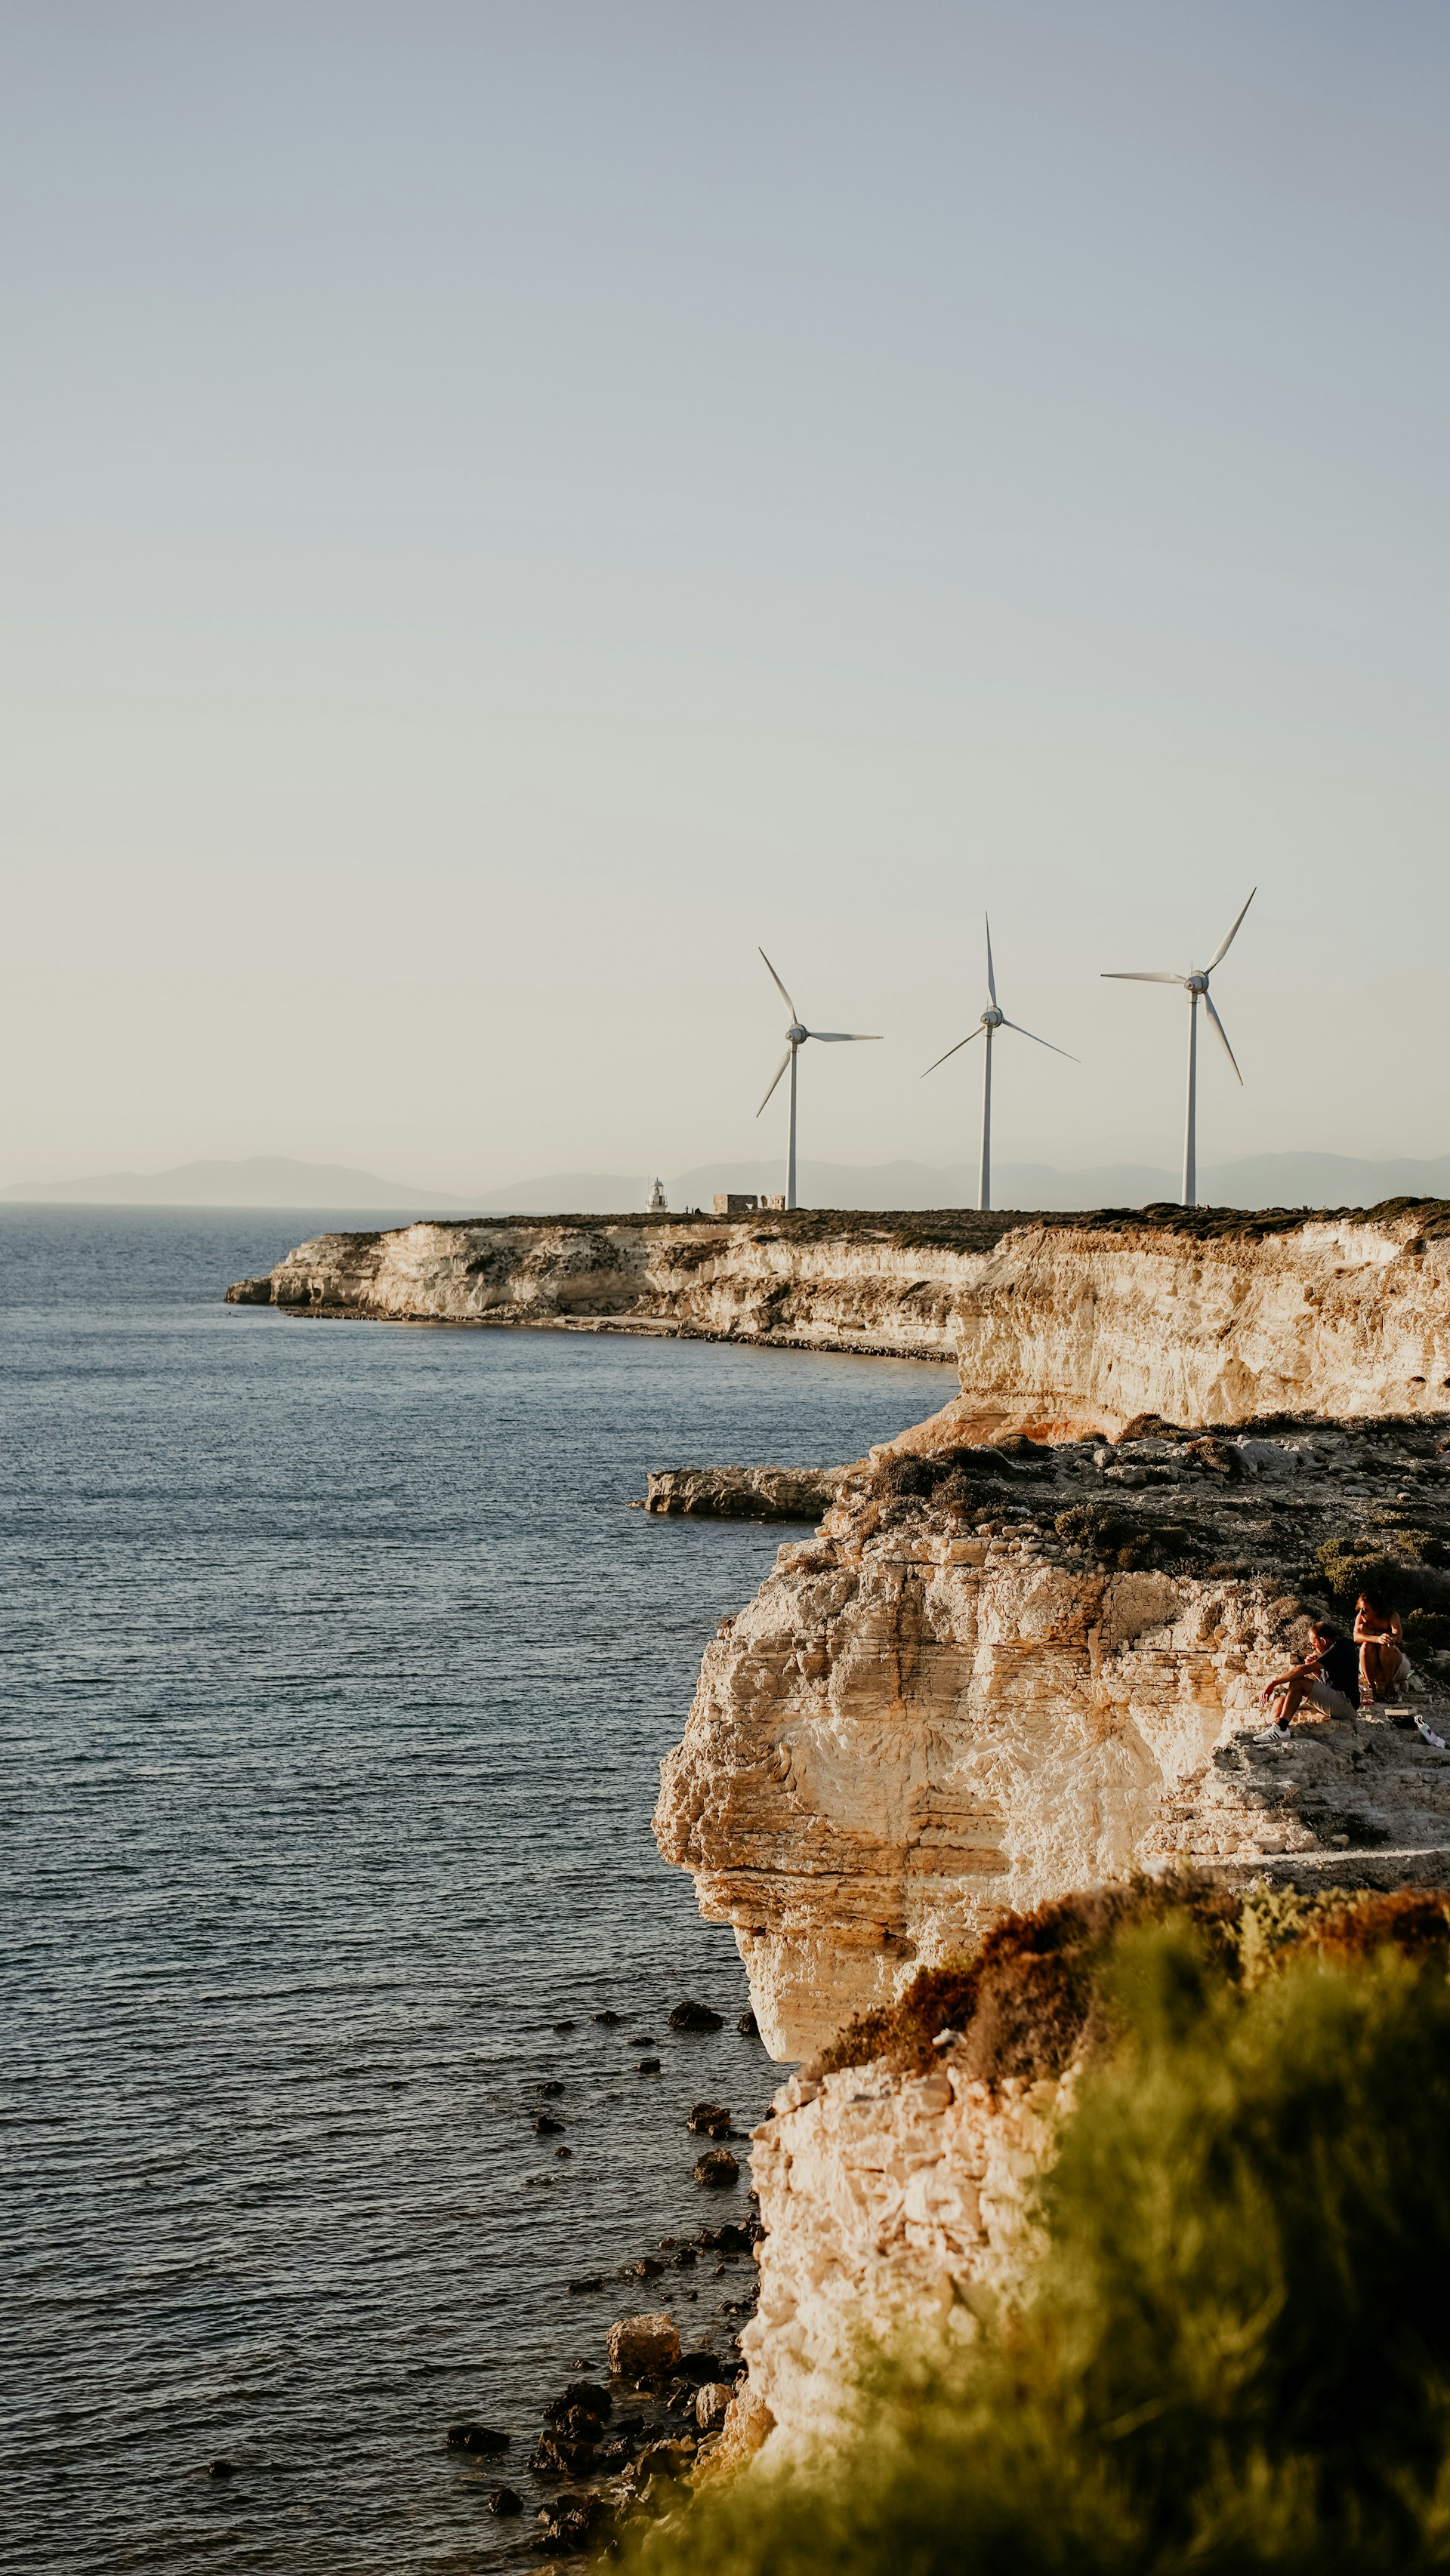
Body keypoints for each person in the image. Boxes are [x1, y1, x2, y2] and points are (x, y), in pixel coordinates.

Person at [1260, 1619, 1361, 1734]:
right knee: (1281, 1700)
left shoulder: (1341, 1647)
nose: (1313, 1648)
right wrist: (1316, 1671)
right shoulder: (1332, 1653)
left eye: (1314, 1644)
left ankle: (1281, 1728)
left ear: (1322, 1641)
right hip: (1336, 1700)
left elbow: (1302, 1670)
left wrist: (1273, 1683)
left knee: (1298, 1683)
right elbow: (1327, 1684)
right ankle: (1272, 1727)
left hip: (1346, 1704)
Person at [1354, 1590, 1405, 1703]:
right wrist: (1377, 1638)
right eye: (1361, 1609)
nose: (1362, 1613)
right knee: (1366, 1646)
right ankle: (1371, 1687)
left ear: (1376, 1609)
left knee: (1386, 1646)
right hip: (1371, 1666)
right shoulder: (1361, 1617)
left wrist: (1370, 1633)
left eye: (1366, 1610)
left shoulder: (1391, 1616)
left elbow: (1398, 1637)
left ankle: (1390, 1687)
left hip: (1395, 1664)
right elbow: (1356, 1637)